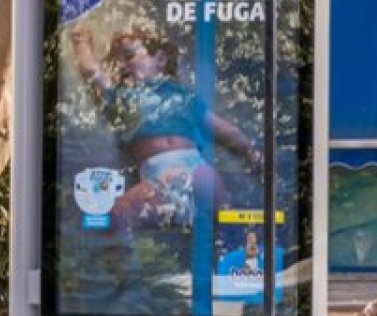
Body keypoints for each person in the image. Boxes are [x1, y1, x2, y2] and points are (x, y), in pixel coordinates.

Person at [71, 27, 262, 231]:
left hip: (197, 173)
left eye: (128, 57)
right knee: (112, 217)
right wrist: (82, 42)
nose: (122, 67)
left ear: (160, 59)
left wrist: (252, 154)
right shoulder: (121, 96)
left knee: (112, 218)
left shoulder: (184, 96)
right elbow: (91, 71)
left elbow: (225, 130)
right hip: (176, 177)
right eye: (116, 63)